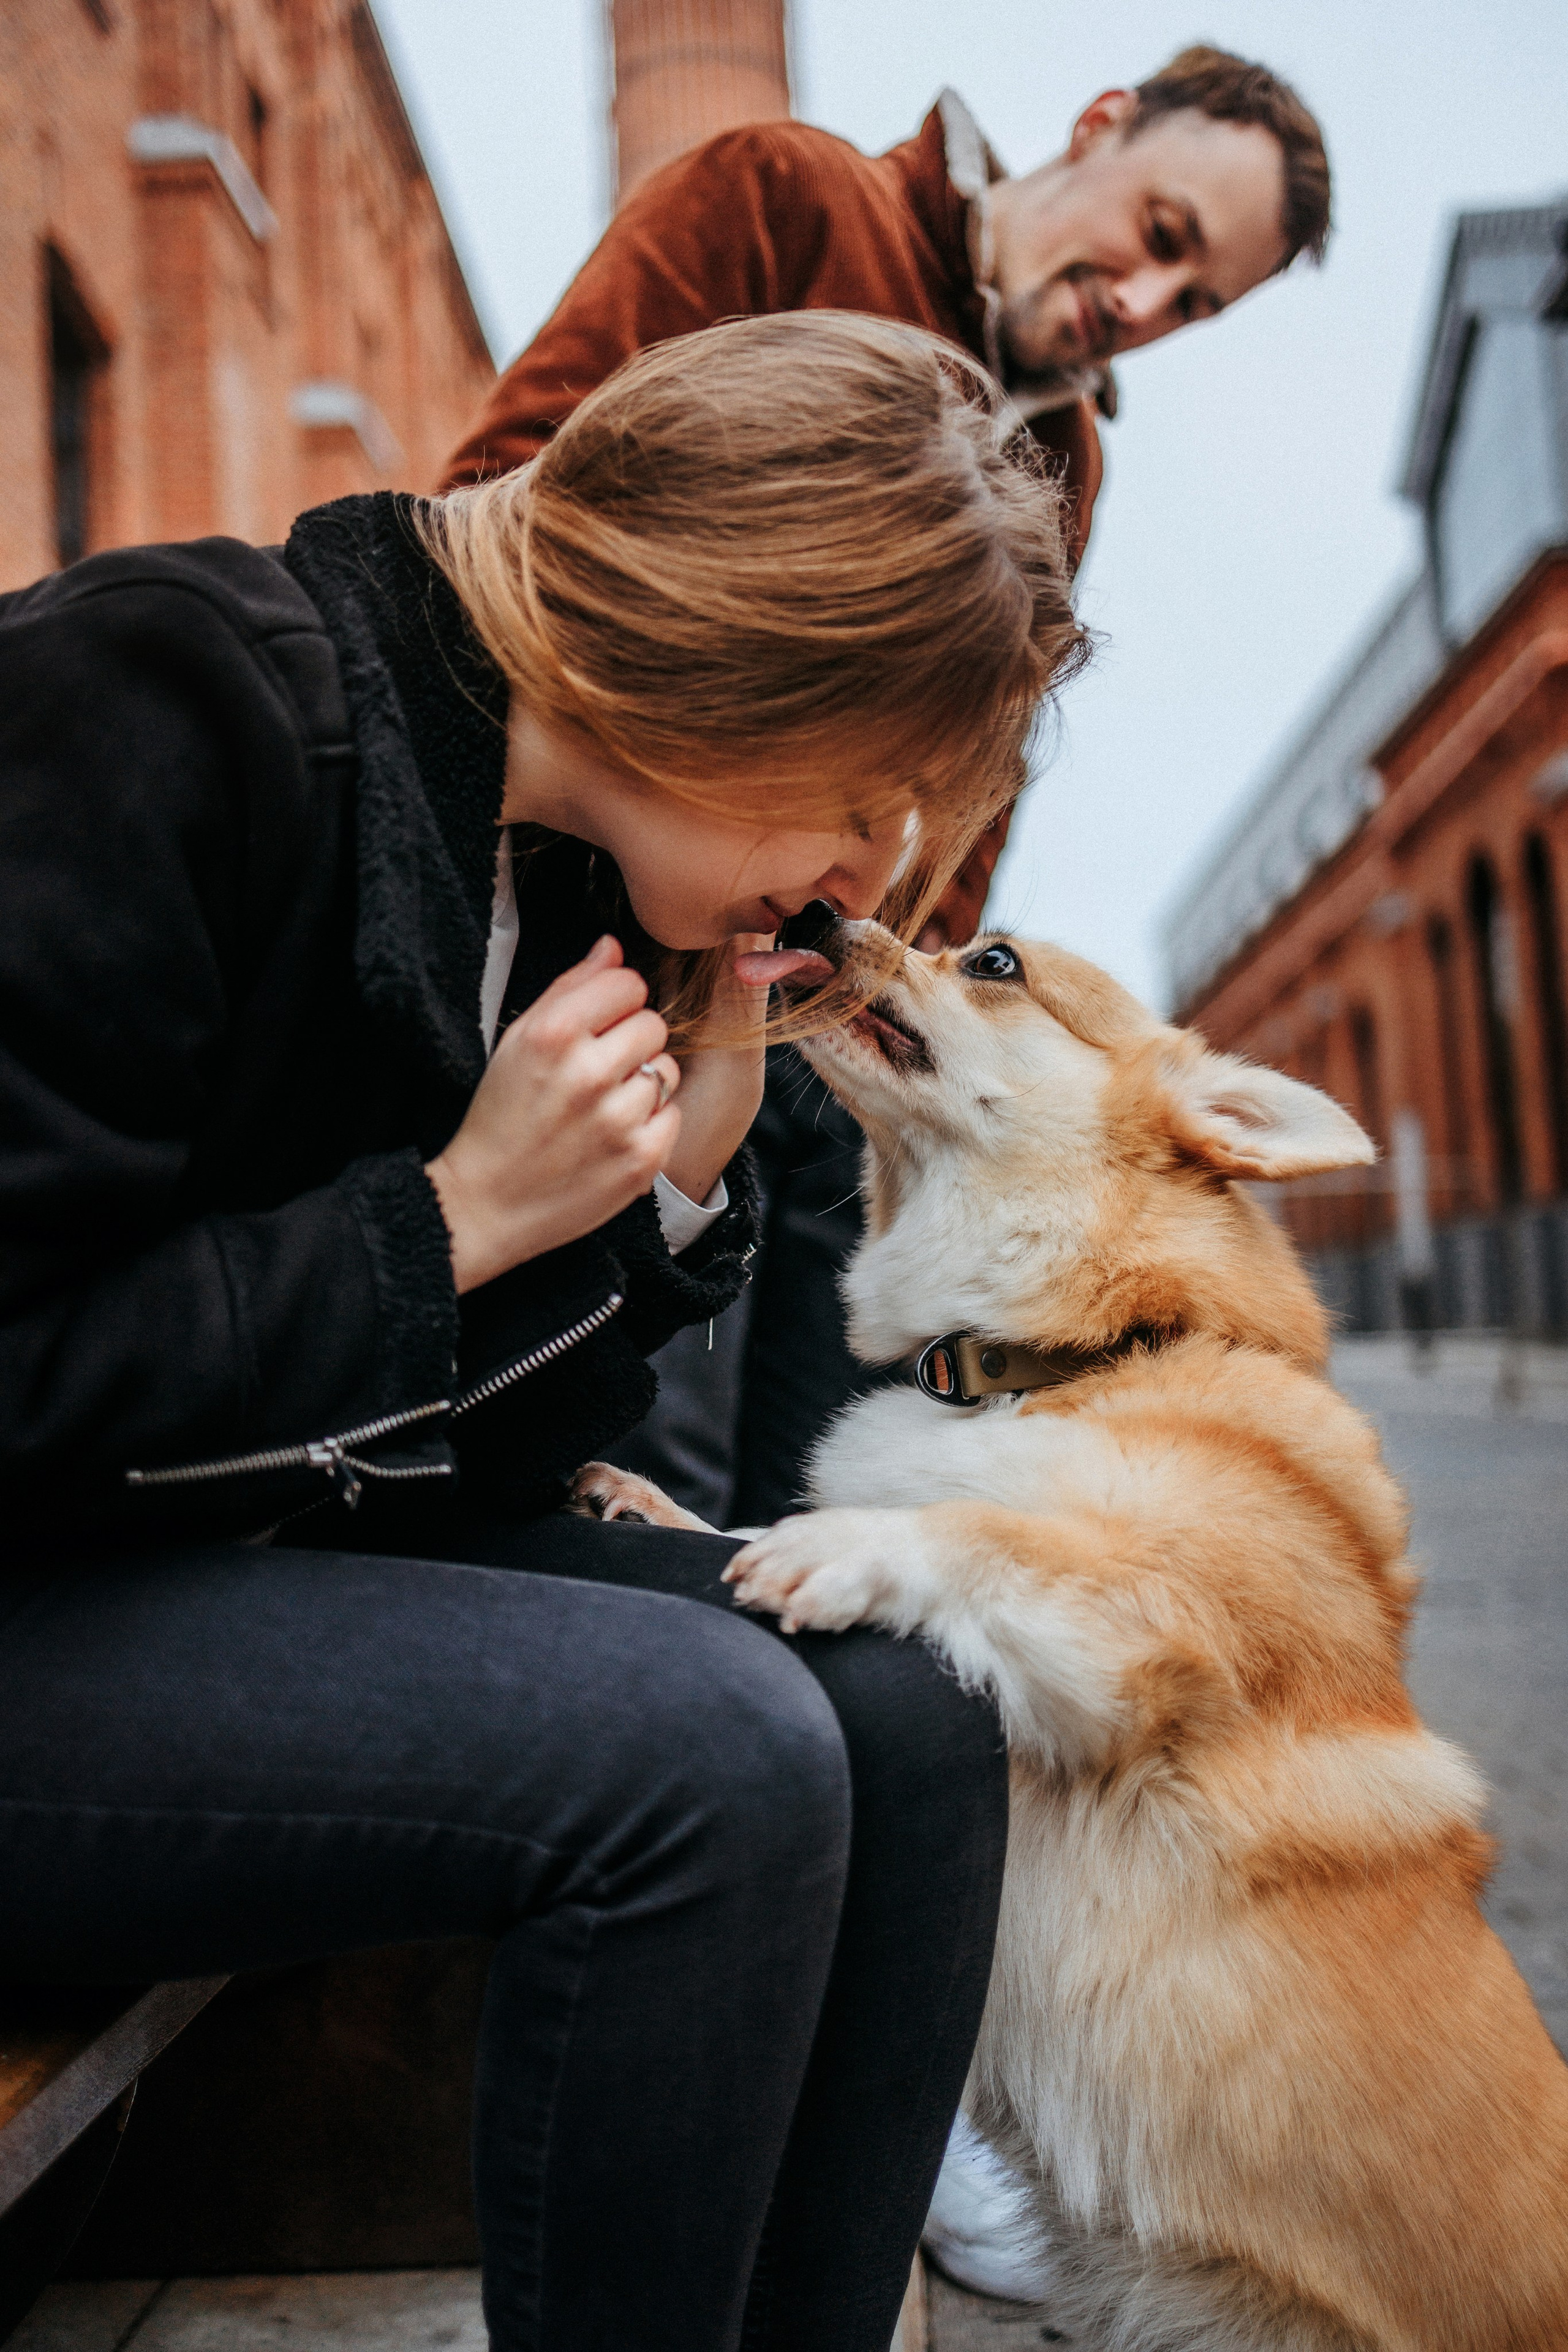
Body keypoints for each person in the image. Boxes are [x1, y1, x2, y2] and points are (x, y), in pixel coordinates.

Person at [0, 314, 1087, 2352]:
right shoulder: (169, 694)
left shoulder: (568, 876)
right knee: (715, 1759)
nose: (866, 890)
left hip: (206, 1581)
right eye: (864, 803)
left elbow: (465, 1465)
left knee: (915, 1694)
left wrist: (678, 1186)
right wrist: (447, 1220)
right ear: (722, 645)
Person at [440, 42, 1333, 1527]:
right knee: (628, 1476)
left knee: (821, 1508)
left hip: (838, 1021)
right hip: (638, 968)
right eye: (1163, 239)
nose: (1147, 305)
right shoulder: (784, 197)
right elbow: (509, 493)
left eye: (1196, 304)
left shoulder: (1069, 453)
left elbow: (971, 782)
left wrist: (896, 994)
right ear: (1099, 123)